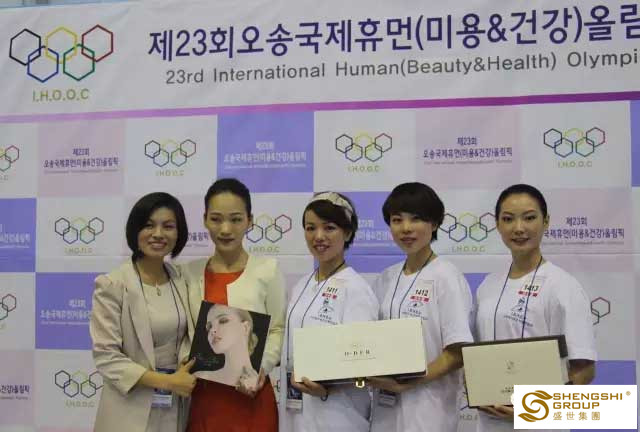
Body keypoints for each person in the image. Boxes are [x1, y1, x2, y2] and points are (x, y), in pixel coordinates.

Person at [473, 184, 596, 432]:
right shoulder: (488, 285)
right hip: (489, 422)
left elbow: (584, 369)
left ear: (546, 221)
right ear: (497, 225)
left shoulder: (563, 286)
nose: (519, 228)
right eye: (508, 219)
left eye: (529, 218)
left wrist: (536, 409)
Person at [369, 182, 474, 432]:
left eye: (416, 219)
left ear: (434, 223)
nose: (406, 228)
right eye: (397, 220)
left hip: (429, 411)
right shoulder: (386, 278)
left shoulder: (446, 276)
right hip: (385, 410)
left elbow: (458, 352)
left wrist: (410, 381)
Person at [183, 178, 285, 432]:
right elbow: (182, 331)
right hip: (204, 398)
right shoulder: (188, 274)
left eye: (236, 219)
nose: (225, 229)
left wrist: (261, 368)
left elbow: (277, 329)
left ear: (249, 221)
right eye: (216, 219)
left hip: (252, 397)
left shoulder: (267, 271)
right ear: (205, 219)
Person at [90, 192, 196, 432]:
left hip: (174, 408)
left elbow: (188, 336)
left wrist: (184, 364)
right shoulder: (113, 284)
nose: (158, 234)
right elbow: (107, 357)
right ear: (135, 230)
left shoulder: (182, 279)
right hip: (129, 411)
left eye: (168, 226)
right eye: (148, 225)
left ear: (178, 233)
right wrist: (167, 381)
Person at [279, 191, 379, 432]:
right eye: (310, 228)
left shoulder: (356, 289)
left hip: (338, 416)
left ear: (348, 233)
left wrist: (328, 388)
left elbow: (364, 368)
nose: (318, 236)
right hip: (296, 410)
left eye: (329, 228)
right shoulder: (302, 285)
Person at [194, 303, 260, 391]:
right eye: (209, 327)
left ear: (245, 327)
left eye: (223, 321)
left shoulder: (262, 381)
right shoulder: (201, 377)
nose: (212, 330)